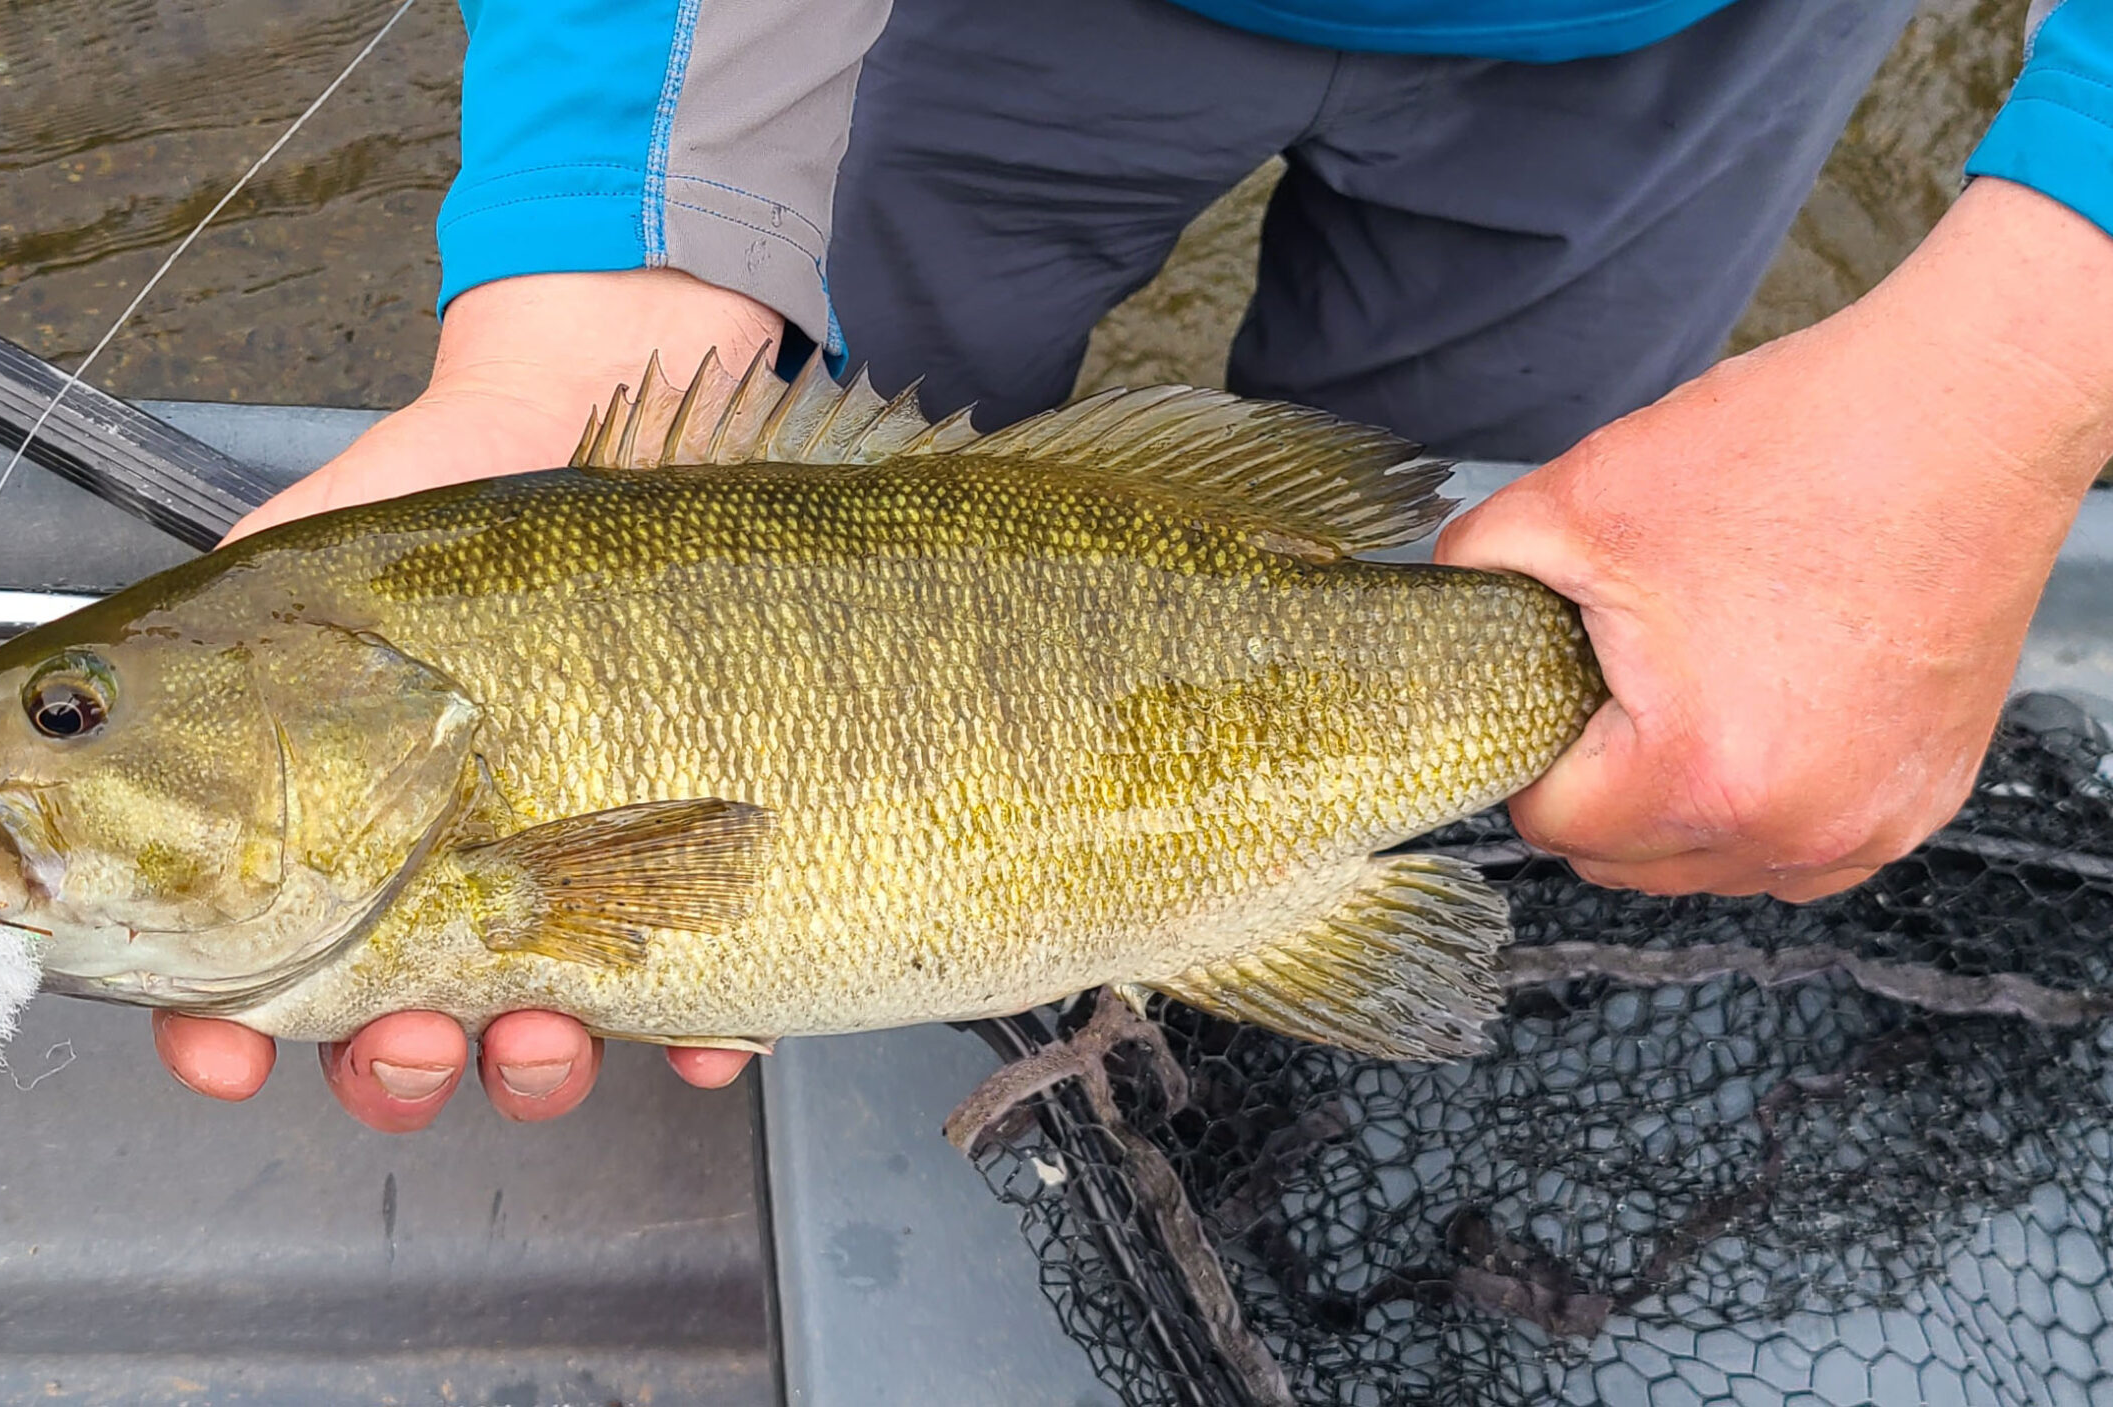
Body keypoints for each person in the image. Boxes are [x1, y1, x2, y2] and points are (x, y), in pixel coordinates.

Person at [151, 0, 2113, 1133]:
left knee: (1547, 534)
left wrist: (2000, 386)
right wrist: (599, 298)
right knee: (840, 411)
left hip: (1673, 44)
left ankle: (1315, 892)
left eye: (80, 714)